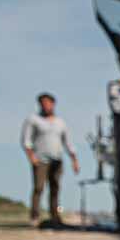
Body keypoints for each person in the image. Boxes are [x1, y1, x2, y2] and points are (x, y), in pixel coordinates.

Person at [19, 92, 78, 228]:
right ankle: (34, 216)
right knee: (39, 188)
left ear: (53, 104)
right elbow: (26, 140)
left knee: (55, 188)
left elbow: (68, 142)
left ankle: (55, 216)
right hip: (40, 159)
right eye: (43, 103)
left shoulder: (60, 122)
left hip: (57, 160)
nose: (46, 106)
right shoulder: (33, 120)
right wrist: (31, 157)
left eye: (48, 103)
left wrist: (74, 160)